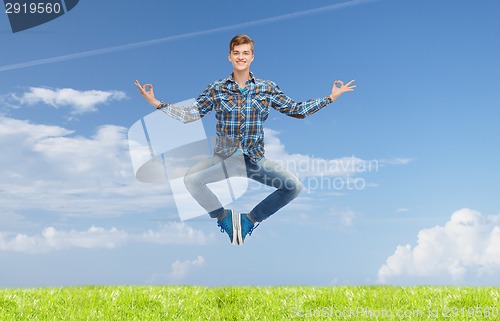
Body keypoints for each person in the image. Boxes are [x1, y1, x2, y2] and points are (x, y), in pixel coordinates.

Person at [135, 34, 355, 245]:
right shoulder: (217, 88)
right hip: (224, 159)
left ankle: (249, 221)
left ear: (252, 57)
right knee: (191, 180)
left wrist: (330, 98)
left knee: (293, 187)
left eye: (246, 53)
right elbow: (192, 114)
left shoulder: (266, 88)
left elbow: (296, 110)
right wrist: (157, 103)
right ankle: (225, 219)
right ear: (230, 57)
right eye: (236, 52)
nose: (241, 56)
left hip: (255, 161)